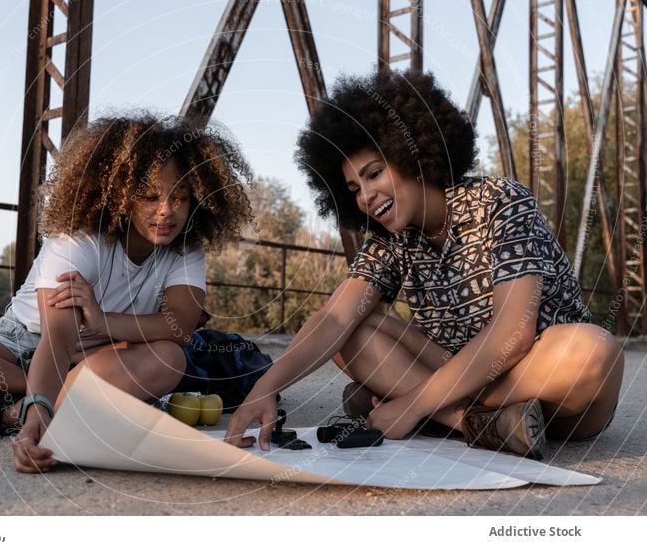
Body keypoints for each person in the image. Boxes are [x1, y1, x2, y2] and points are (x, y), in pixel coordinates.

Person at [225, 69, 623, 459]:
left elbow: (512, 335)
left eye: (374, 173)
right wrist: (264, 388)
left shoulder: (501, 202)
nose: (365, 196)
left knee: (591, 350)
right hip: (458, 377)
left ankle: (426, 408)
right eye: (353, 188)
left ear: (412, 153)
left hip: (555, 390)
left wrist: (411, 403)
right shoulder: (390, 239)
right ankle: (473, 423)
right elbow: (333, 319)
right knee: (350, 333)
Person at [0, 112, 253, 473]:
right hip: (16, 346)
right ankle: (35, 400)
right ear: (119, 194)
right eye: (150, 196)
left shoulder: (185, 249)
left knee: (168, 360)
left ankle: (1, 407)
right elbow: (58, 337)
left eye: (181, 196)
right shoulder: (80, 238)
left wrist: (103, 320)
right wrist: (40, 406)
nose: (166, 211)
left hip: (103, 358)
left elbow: (179, 327)